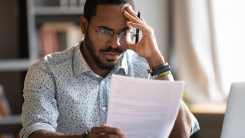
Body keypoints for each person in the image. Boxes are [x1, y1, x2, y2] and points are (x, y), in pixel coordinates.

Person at [20, 0, 200, 138]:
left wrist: (156, 60)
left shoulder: (147, 68)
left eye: (124, 33)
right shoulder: (47, 71)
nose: (115, 43)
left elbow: (182, 132)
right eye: (105, 31)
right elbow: (35, 132)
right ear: (84, 26)